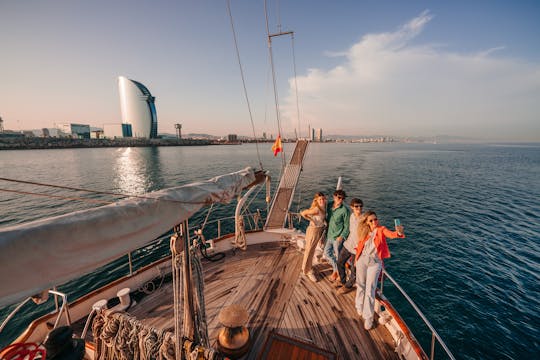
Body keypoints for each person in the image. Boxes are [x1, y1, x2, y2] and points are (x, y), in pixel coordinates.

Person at [354, 210, 405, 330]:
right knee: (360, 284)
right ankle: (359, 305)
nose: (374, 222)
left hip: (375, 263)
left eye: (375, 219)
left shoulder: (381, 230)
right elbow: (360, 245)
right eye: (371, 220)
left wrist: (398, 232)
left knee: (370, 290)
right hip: (362, 260)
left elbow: (391, 234)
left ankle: (368, 317)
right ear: (366, 222)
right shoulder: (364, 231)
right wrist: (357, 259)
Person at [336, 198, 368, 293]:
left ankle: (348, 286)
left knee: (354, 271)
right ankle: (342, 281)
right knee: (339, 262)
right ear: (352, 207)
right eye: (356, 206)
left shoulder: (364, 219)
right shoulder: (351, 216)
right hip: (348, 244)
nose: (359, 208)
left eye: (360, 206)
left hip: (357, 249)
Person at [299, 192, 327, 282]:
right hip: (313, 231)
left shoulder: (323, 207)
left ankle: (305, 268)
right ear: (316, 200)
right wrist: (311, 220)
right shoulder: (316, 209)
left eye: (323, 199)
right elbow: (303, 213)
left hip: (319, 230)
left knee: (311, 250)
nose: (322, 200)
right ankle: (308, 271)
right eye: (320, 199)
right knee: (309, 251)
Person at [324, 189, 350, 281]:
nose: (341, 200)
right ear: (334, 197)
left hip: (337, 238)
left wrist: (342, 236)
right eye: (339, 197)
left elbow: (347, 226)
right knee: (326, 253)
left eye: (342, 198)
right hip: (329, 235)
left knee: (339, 257)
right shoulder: (329, 205)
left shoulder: (345, 210)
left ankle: (339, 274)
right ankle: (336, 269)